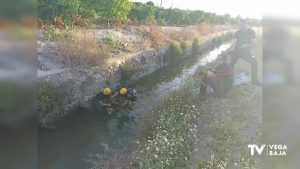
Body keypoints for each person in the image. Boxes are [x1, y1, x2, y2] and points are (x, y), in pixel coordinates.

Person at [231, 20, 258, 84]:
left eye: (241, 25)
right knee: (230, 65)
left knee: (254, 63)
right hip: (236, 51)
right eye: (239, 25)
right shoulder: (237, 33)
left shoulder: (251, 32)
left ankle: (254, 81)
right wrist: (229, 52)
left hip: (246, 53)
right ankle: (229, 80)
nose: (239, 26)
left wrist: (245, 45)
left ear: (245, 25)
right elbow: (233, 43)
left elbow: (254, 43)